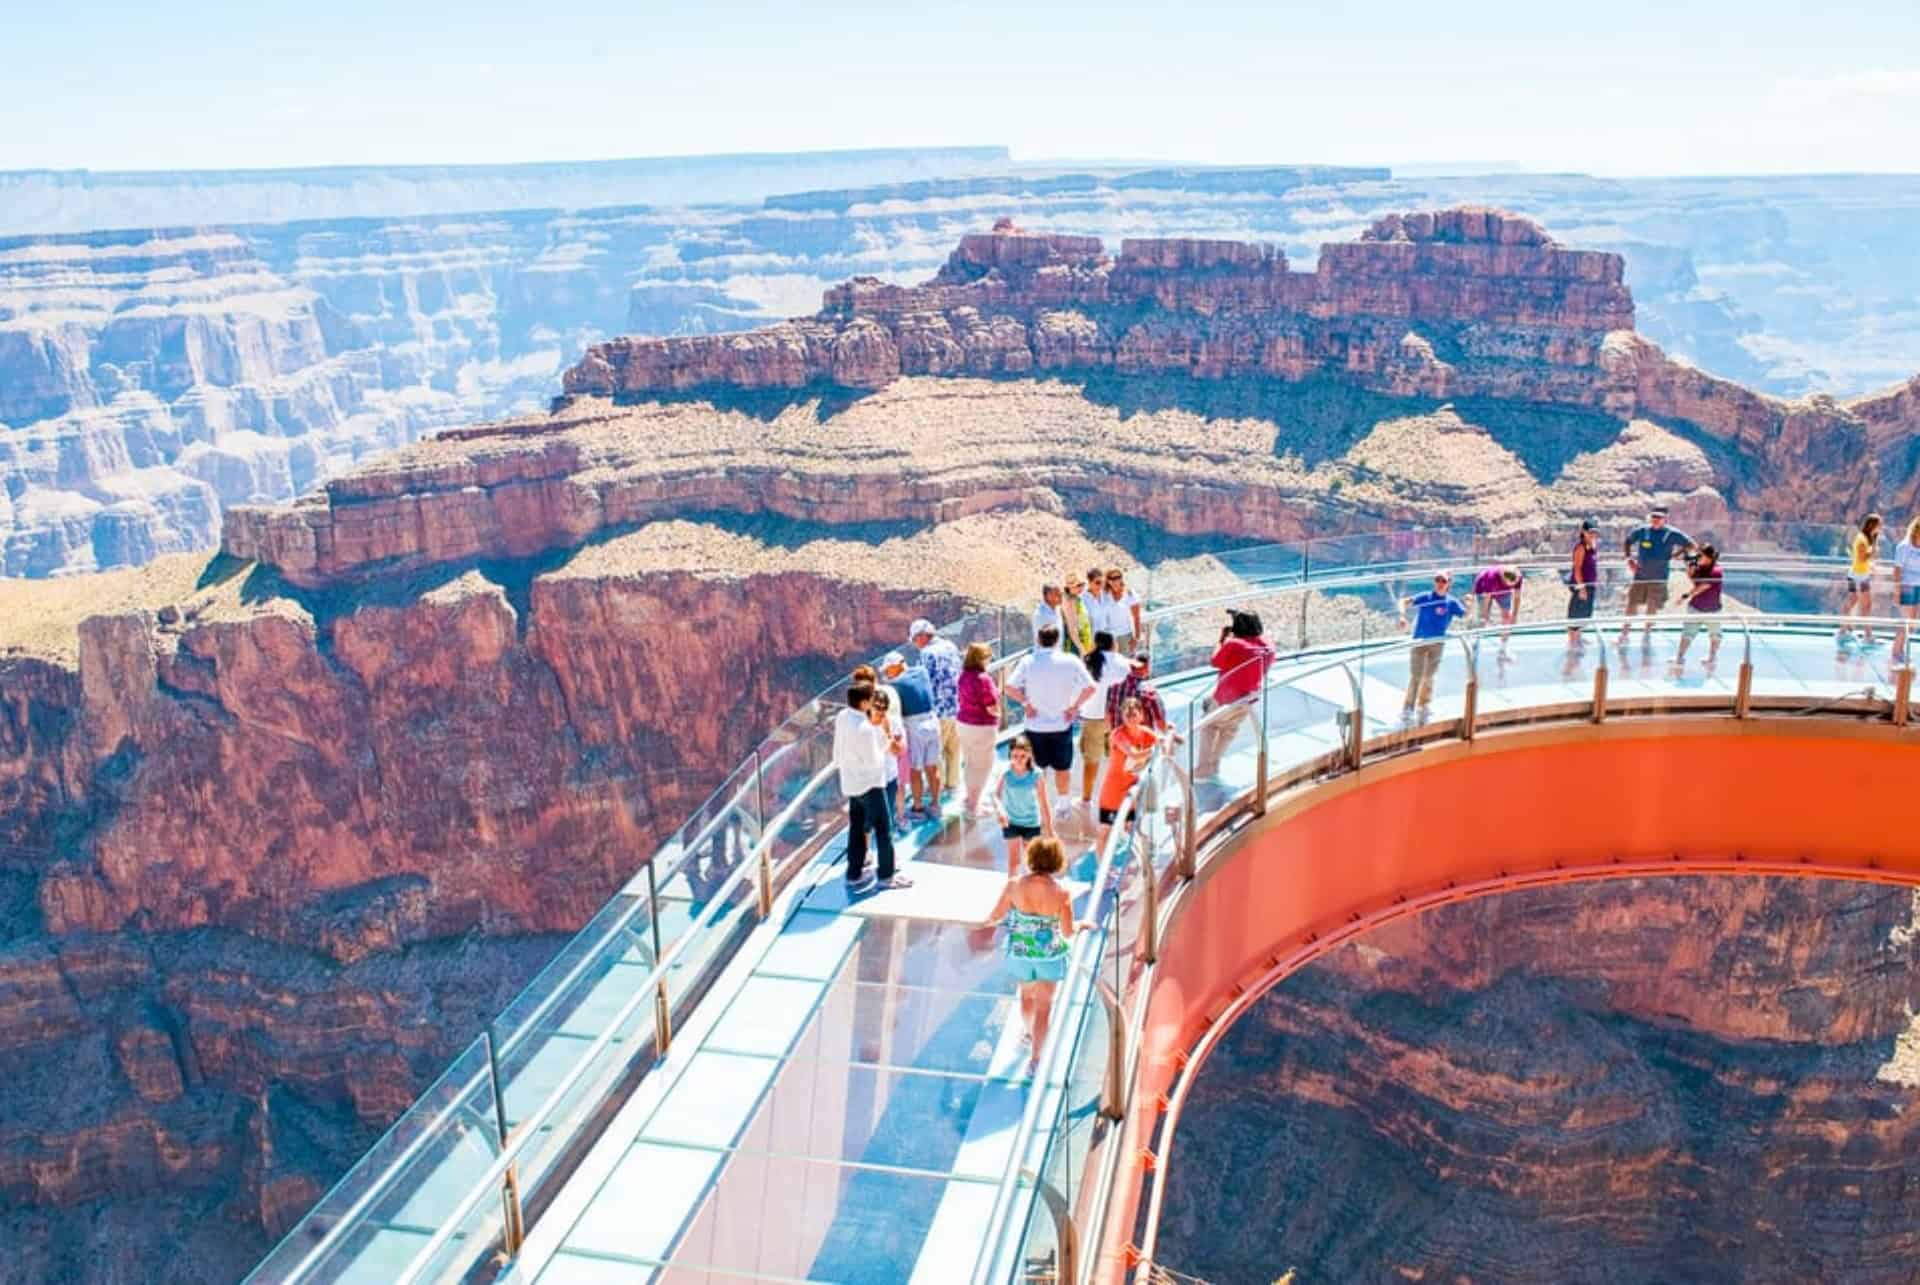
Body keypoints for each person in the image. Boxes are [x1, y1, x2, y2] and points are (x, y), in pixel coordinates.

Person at [981, 835, 1079, 1074]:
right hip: (1049, 956)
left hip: (1020, 952)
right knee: (1045, 1007)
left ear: (1031, 857)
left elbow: (995, 916)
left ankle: (1027, 1033)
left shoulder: (1014, 885)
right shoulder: (1062, 893)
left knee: (1026, 996)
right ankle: (1035, 1059)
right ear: (1057, 860)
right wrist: (1081, 924)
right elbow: (1067, 932)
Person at [1004, 627, 1095, 813]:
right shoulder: (1070, 661)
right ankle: (1063, 805)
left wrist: (1025, 703)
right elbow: (1091, 687)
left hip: (1035, 727)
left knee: (1037, 769)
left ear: (1038, 639)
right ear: (1057, 640)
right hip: (1061, 725)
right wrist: (1075, 707)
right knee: (1063, 768)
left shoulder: (1028, 661)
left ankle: (1039, 805)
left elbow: (1009, 686)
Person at [832, 683, 911, 894]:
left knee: (856, 829)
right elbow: (875, 761)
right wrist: (885, 736)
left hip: (850, 783)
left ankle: (854, 873)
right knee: (884, 830)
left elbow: (838, 749)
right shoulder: (867, 729)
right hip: (871, 786)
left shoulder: (842, 717)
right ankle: (886, 875)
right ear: (864, 702)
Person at [1197, 610, 1275, 775]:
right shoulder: (1268, 646)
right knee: (1229, 730)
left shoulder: (1235, 644)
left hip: (1226, 698)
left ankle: (1203, 768)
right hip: (1248, 698)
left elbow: (1215, 661)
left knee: (1209, 726)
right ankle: (1214, 765)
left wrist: (1222, 640)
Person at [1619, 505, 1693, 646]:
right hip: (1640, 575)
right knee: (1631, 604)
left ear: (1665, 519)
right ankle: (1624, 634)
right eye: (1653, 516)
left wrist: (1676, 555)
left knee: (1652, 608)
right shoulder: (1642, 531)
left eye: (1659, 517)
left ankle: (1646, 635)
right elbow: (1628, 541)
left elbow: (1691, 544)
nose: (1656, 519)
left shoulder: (1672, 533)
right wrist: (1629, 559)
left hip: (1659, 577)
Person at [882, 651, 943, 820]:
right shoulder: (921, 672)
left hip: (915, 726)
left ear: (897, 665)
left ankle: (918, 808)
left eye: (888, 669)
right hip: (933, 720)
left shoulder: (894, 684)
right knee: (932, 766)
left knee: (915, 769)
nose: (887, 673)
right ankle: (936, 805)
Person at [1398, 572, 1467, 719]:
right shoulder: (1426, 597)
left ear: (1449, 583)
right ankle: (1408, 708)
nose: (1440, 583)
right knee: (1416, 675)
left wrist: (1470, 604)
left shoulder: (1451, 602)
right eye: (1437, 580)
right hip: (1420, 642)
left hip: (1437, 643)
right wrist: (1403, 617)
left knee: (1429, 676)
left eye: (1443, 580)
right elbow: (1404, 602)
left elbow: (1465, 615)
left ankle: (1423, 705)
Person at [1096, 697, 1159, 852]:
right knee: (1105, 831)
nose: (1131, 718)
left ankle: (1142, 857)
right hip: (1113, 792)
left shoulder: (1146, 733)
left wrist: (1170, 736)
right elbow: (1134, 754)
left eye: (1134, 714)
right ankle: (1101, 867)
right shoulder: (1118, 735)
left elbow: (1163, 743)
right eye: (1127, 715)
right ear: (1122, 717)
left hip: (1131, 789)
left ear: (1141, 716)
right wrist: (1155, 749)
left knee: (1131, 827)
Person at [910, 619, 963, 800]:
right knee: (954, 749)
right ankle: (953, 785)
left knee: (936, 751)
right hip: (958, 706)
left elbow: (925, 683)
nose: (915, 644)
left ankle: (937, 789)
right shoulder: (951, 645)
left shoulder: (926, 653)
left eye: (915, 639)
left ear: (923, 636)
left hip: (939, 710)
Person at [993, 735, 1055, 878]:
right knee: (1014, 862)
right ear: (1009, 755)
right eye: (1015, 756)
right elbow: (995, 795)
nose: (1019, 759)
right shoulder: (1006, 772)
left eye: (1023, 756)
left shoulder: (1036, 774)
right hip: (1011, 822)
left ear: (1029, 755)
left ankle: (1030, 892)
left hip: (1031, 823)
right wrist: (1000, 810)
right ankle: (1012, 893)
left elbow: (1044, 803)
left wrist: (1050, 830)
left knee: (1032, 862)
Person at [1078, 632, 1127, 806]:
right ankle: (1120, 797)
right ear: (1114, 643)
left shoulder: (1087, 662)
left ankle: (1086, 799)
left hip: (1092, 716)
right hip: (1116, 717)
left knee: (1091, 760)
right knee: (1118, 758)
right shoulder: (1123, 663)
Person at [956, 642, 1001, 815]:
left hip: (964, 723)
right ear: (981, 659)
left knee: (970, 763)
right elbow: (990, 706)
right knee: (983, 766)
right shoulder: (983, 679)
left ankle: (969, 798)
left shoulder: (963, 676)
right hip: (981, 726)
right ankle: (974, 806)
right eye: (988, 657)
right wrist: (998, 714)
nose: (990, 660)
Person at [1674, 543, 1724, 667]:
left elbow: (1700, 588)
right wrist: (1689, 565)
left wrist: (1684, 596)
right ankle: (1679, 657)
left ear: (1709, 557)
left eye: (1700, 555)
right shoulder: (1700, 567)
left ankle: (1712, 657)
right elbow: (1692, 579)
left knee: (1714, 635)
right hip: (1696, 607)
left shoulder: (1716, 571)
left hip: (1713, 610)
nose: (1698, 557)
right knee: (1687, 633)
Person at [1106, 649, 1175, 738]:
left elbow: (1108, 714)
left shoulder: (1114, 685)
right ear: (1147, 667)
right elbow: (1160, 723)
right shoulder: (1148, 691)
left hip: (1119, 742)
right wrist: (1168, 731)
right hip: (1140, 742)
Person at [1839, 513, 1884, 648]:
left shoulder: (1865, 538)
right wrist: (1874, 550)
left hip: (1859, 574)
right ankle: (1867, 636)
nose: (1880, 529)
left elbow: (1862, 560)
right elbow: (1862, 558)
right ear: (1873, 526)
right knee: (1865, 606)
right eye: (1879, 526)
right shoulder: (1861, 539)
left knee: (1853, 603)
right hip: (1859, 576)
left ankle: (1843, 631)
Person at [1471, 564, 1524, 651]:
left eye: (1512, 584)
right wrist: (1485, 614)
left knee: (1507, 617)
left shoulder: (1518, 577)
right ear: (1503, 577)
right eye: (1508, 583)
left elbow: (1517, 597)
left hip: (1503, 591)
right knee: (1482, 619)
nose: (1511, 585)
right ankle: (1476, 641)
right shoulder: (1491, 577)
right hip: (1483, 588)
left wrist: (1515, 615)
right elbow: (1486, 598)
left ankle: (1504, 646)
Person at [1567, 519, 1600, 648]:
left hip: (1590, 586)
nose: (1593, 534)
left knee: (1585, 613)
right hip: (1582, 587)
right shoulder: (1580, 548)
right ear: (1583, 532)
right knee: (1576, 614)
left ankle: (1578, 638)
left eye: (1595, 532)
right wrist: (1581, 588)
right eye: (1590, 532)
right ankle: (1572, 642)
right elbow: (1577, 568)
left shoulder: (1592, 545)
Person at [1893, 518, 1920, 661]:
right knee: (1906, 621)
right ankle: (1896, 652)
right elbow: (1897, 570)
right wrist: (1896, 592)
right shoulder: (1904, 547)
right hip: (1907, 587)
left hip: (1919, 587)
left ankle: (1901, 650)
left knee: (1914, 622)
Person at [1102, 567, 1143, 653]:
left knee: (1125, 664)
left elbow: (1137, 617)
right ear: (1107, 580)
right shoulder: (1104, 595)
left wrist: (1137, 638)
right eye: (1112, 578)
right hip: (1108, 638)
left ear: (1121, 578)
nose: (1115, 581)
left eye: (1118, 577)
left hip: (1125, 637)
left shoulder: (1129, 594)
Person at [1058, 575, 1095, 657]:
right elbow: (1072, 629)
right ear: (1069, 588)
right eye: (1077, 586)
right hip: (1075, 646)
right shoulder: (1069, 602)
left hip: (1084, 641)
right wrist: (1082, 650)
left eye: (1082, 585)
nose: (1080, 588)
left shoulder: (1076, 598)